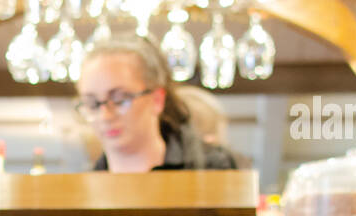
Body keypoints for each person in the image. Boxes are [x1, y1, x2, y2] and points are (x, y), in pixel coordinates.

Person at [75, 36, 243, 172]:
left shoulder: (211, 167)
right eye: (93, 104)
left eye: (120, 99)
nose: (105, 115)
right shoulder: (87, 187)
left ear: (157, 100)